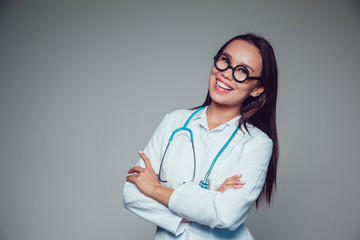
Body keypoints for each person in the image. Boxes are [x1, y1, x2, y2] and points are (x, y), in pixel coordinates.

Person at [123, 33, 279, 240]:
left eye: (242, 71)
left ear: (258, 89)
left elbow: (227, 215)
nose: (227, 74)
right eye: (225, 60)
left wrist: (154, 189)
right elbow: (132, 194)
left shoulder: (257, 143)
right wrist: (210, 200)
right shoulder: (174, 122)